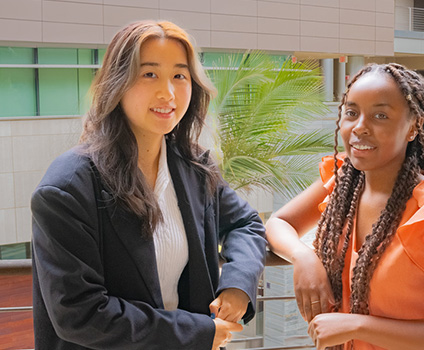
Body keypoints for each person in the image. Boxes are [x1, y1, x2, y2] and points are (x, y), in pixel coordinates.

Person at [31, 20, 266, 350]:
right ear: (118, 83)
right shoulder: (68, 187)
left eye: (179, 76)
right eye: (149, 74)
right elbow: (79, 313)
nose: (167, 93)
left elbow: (246, 223)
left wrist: (238, 284)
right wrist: (197, 332)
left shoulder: (193, 167)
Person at [265, 63, 424, 350]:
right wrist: (303, 258)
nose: (360, 127)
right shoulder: (342, 181)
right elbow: (279, 223)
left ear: (413, 127)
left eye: (380, 115)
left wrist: (357, 325)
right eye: (351, 113)